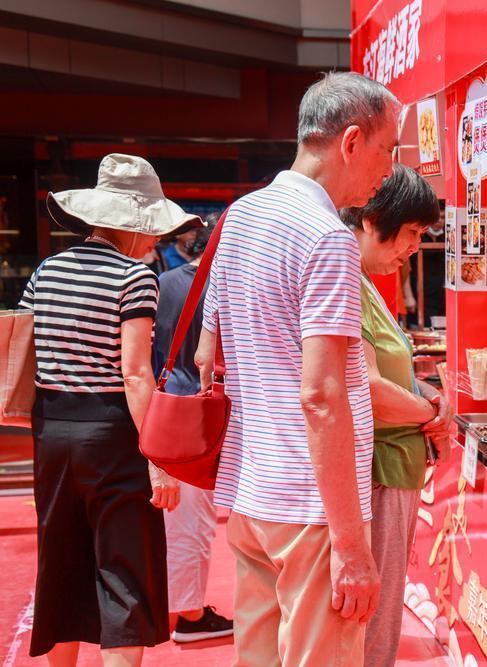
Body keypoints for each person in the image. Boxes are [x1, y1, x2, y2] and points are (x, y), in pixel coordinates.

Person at [194, 71, 399, 666]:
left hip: (253, 492)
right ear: (352, 141)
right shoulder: (325, 236)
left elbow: (211, 355)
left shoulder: (240, 218)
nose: (389, 170)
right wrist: (352, 546)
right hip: (310, 505)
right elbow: (323, 394)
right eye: (388, 150)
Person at [21, 153, 202, 665]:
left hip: (52, 431)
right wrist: (157, 459)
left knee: (60, 564)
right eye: (151, 231)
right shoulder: (134, 278)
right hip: (113, 434)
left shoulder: (46, 270)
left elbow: (33, 351)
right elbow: (135, 373)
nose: (156, 241)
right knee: (124, 571)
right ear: (130, 226)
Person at [340, 165, 453, 667]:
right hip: (378, 472)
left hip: (393, 470)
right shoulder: (344, 278)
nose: (413, 247)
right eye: (410, 233)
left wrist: (430, 394)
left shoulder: (366, 283)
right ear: (372, 220)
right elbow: (367, 388)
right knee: (370, 621)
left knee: (377, 613)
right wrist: (431, 409)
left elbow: (391, 378)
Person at [151, 214, 234, 644]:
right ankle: (188, 612)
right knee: (193, 522)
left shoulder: (165, 282)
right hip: (201, 414)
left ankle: (182, 606)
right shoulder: (221, 287)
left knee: (178, 519)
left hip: (164, 407)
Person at [404, 200, 446, 327]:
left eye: (443, 217)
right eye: (437, 218)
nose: (440, 221)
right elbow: (405, 268)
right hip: (420, 295)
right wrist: (408, 296)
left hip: (440, 295)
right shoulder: (416, 238)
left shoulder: (446, 237)